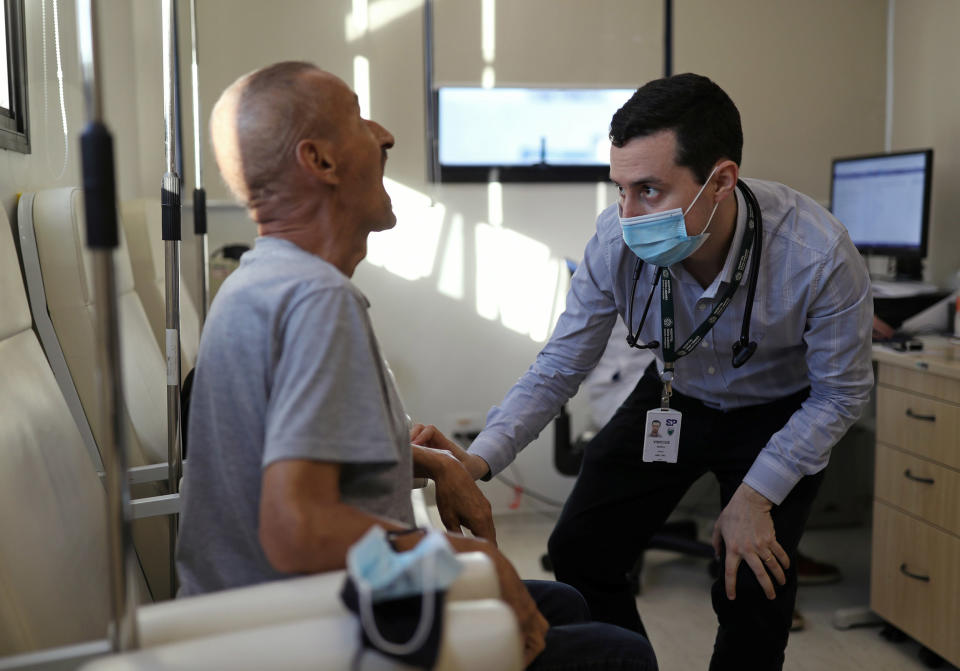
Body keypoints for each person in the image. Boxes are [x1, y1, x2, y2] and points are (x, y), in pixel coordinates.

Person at [175, 61, 656, 671]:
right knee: (620, 656)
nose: (384, 135)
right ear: (320, 162)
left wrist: (429, 461)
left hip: (262, 609)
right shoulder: (317, 300)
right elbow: (298, 529)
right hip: (306, 626)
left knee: (560, 601)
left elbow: (287, 467)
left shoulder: (261, 281)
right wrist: (468, 563)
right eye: (357, 119)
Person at [415, 73, 873, 670]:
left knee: (754, 582)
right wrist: (476, 461)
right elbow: (561, 363)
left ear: (721, 180)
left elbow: (840, 395)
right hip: (674, 395)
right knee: (580, 547)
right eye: (620, 189)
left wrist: (755, 496)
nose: (628, 215)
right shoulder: (616, 239)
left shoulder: (818, 253)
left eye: (650, 190)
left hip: (781, 414)